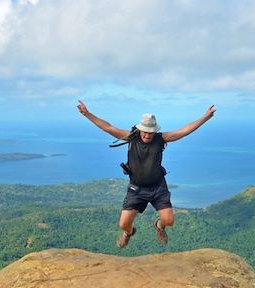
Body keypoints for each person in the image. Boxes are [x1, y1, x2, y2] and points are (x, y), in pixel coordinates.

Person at [77, 100, 216, 248]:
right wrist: (87, 114)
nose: (148, 135)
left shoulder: (160, 139)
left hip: (157, 187)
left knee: (169, 220)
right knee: (124, 224)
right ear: (140, 129)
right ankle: (128, 233)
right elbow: (107, 127)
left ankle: (159, 225)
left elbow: (184, 131)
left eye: (151, 132)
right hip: (136, 189)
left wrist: (205, 117)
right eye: (145, 131)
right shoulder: (131, 137)